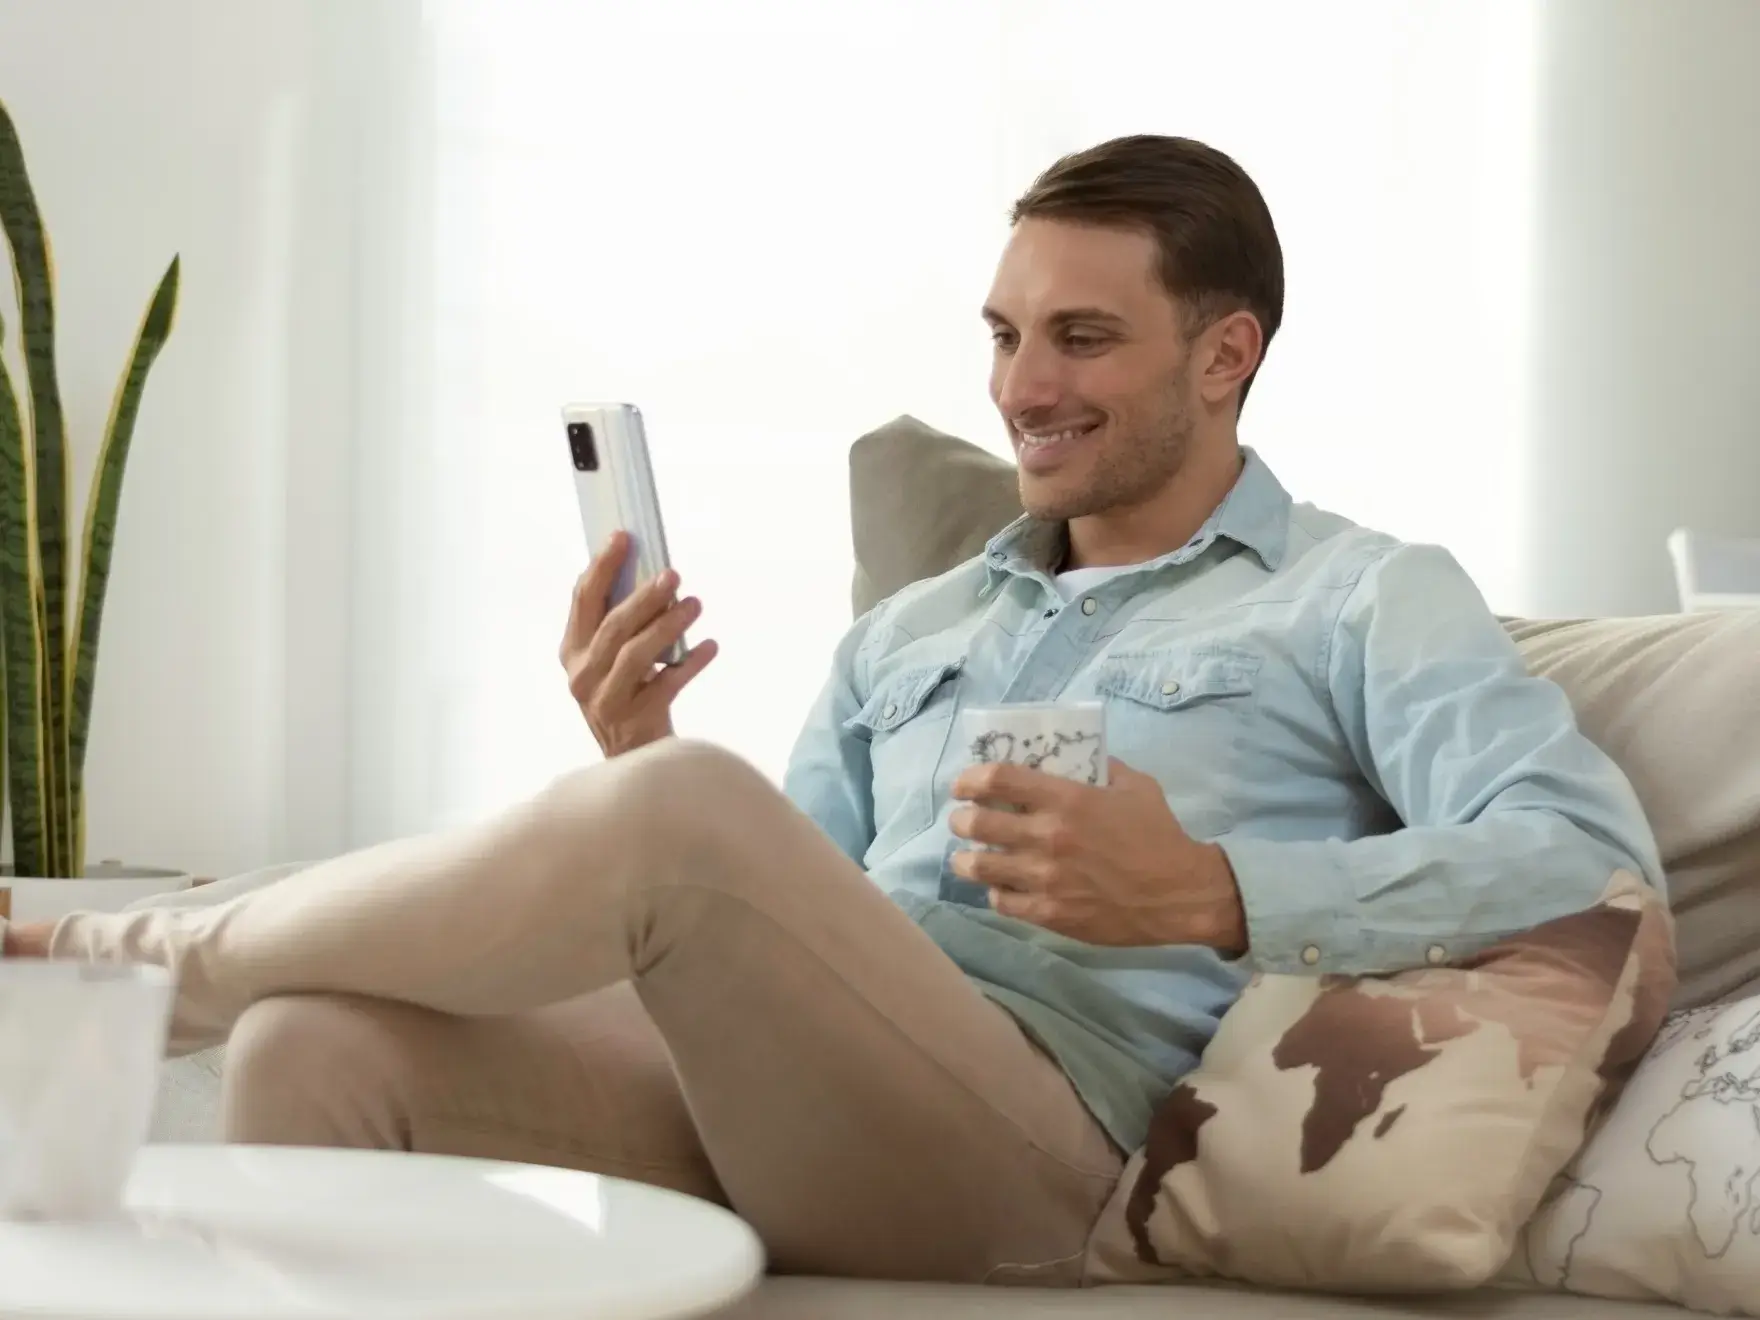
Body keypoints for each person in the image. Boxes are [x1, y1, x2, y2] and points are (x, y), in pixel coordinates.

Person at [0, 134, 1663, 1286]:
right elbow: (761, 909)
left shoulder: (1363, 594)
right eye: (1007, 334)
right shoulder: (921, 627)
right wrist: (634, 761)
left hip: (1049, 1136)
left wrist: (1216, 894)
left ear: (1225, 357)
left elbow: (1575, 853)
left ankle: (141, 957)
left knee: (683, 818)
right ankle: (219, 983)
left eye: (1084, 338)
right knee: (317, 1048)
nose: (1024, 386)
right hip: (804, 1103)